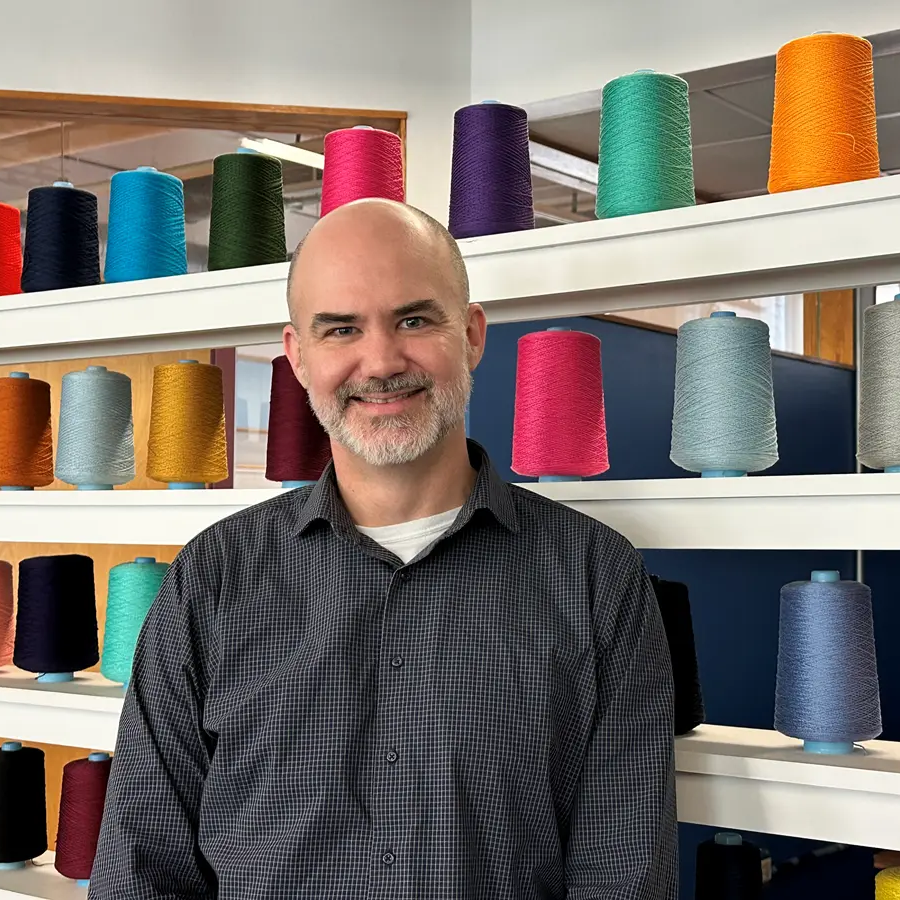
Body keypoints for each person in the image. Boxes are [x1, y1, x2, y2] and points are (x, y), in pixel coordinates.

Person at [89, 198, 677, 899]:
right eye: (341, 329)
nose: (381, 361)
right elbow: (141, 869)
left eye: (415, 319)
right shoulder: (212, 579)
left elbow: (623, 874)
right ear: (298, 356)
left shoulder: (596, 579)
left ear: (472, 333)